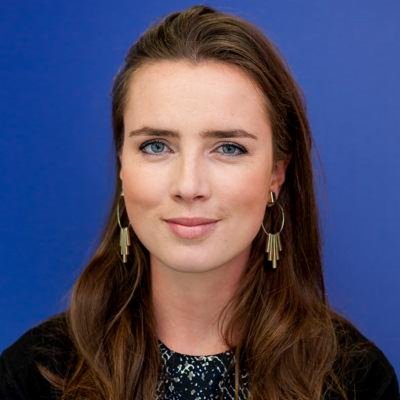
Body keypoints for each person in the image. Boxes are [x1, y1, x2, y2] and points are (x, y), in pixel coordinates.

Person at [0, 4, 398, 400]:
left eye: (228, 148)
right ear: (123, 166)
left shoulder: (356, 382)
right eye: (156, 146)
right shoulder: (32, 378)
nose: (189, 186)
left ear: (276, 174)